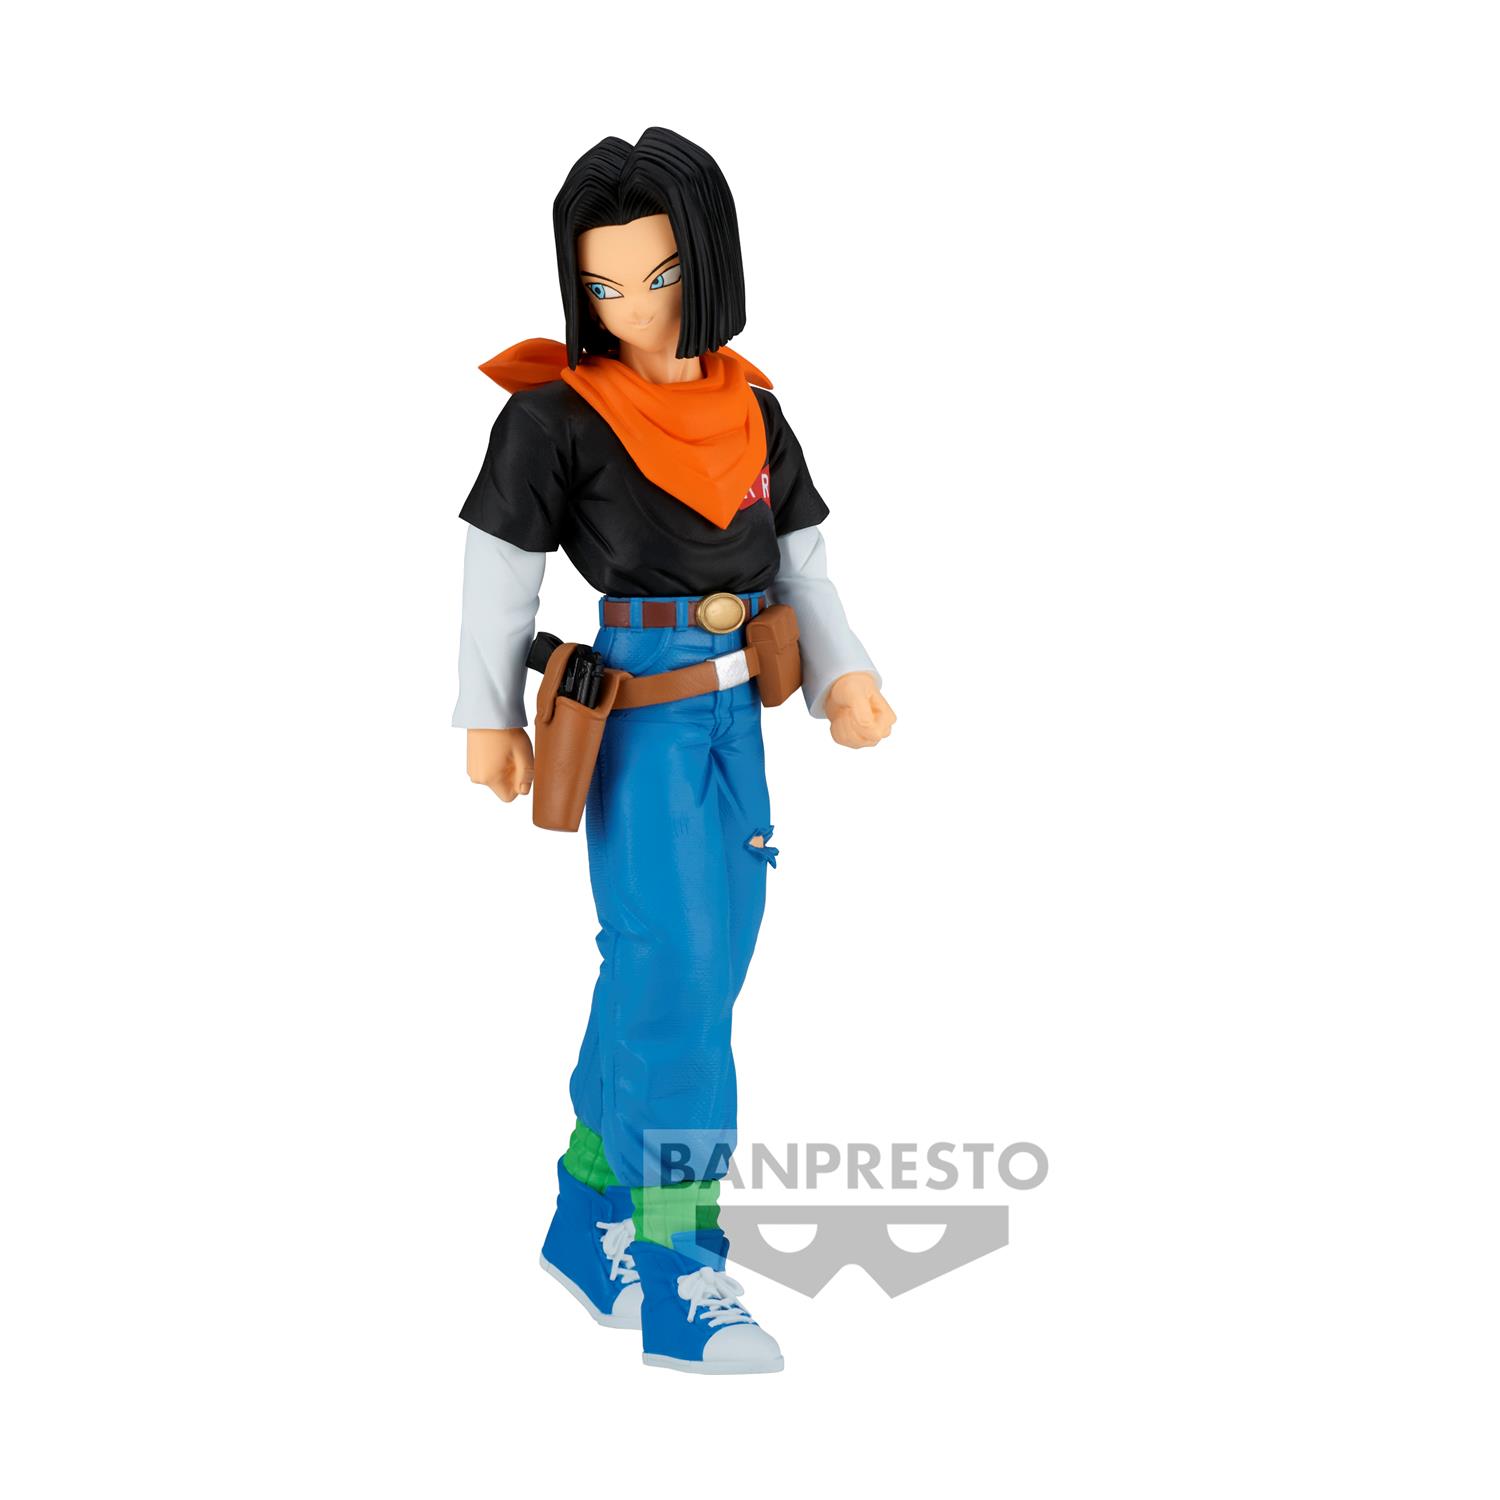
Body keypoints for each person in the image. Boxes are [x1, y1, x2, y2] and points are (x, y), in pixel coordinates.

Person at [453, 127, 895, 1374]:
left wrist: (846, 671)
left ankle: (585, 1209)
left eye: (659, 277)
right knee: (679, 979)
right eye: (602, 285)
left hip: (738, 714)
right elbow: (499, 569)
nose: (634, 308)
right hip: (636, 715)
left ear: (709, 264)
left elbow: (803, 560)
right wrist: (487, 714)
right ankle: (678, 1261)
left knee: (690, 970)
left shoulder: (753, 408)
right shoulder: (556, 416)